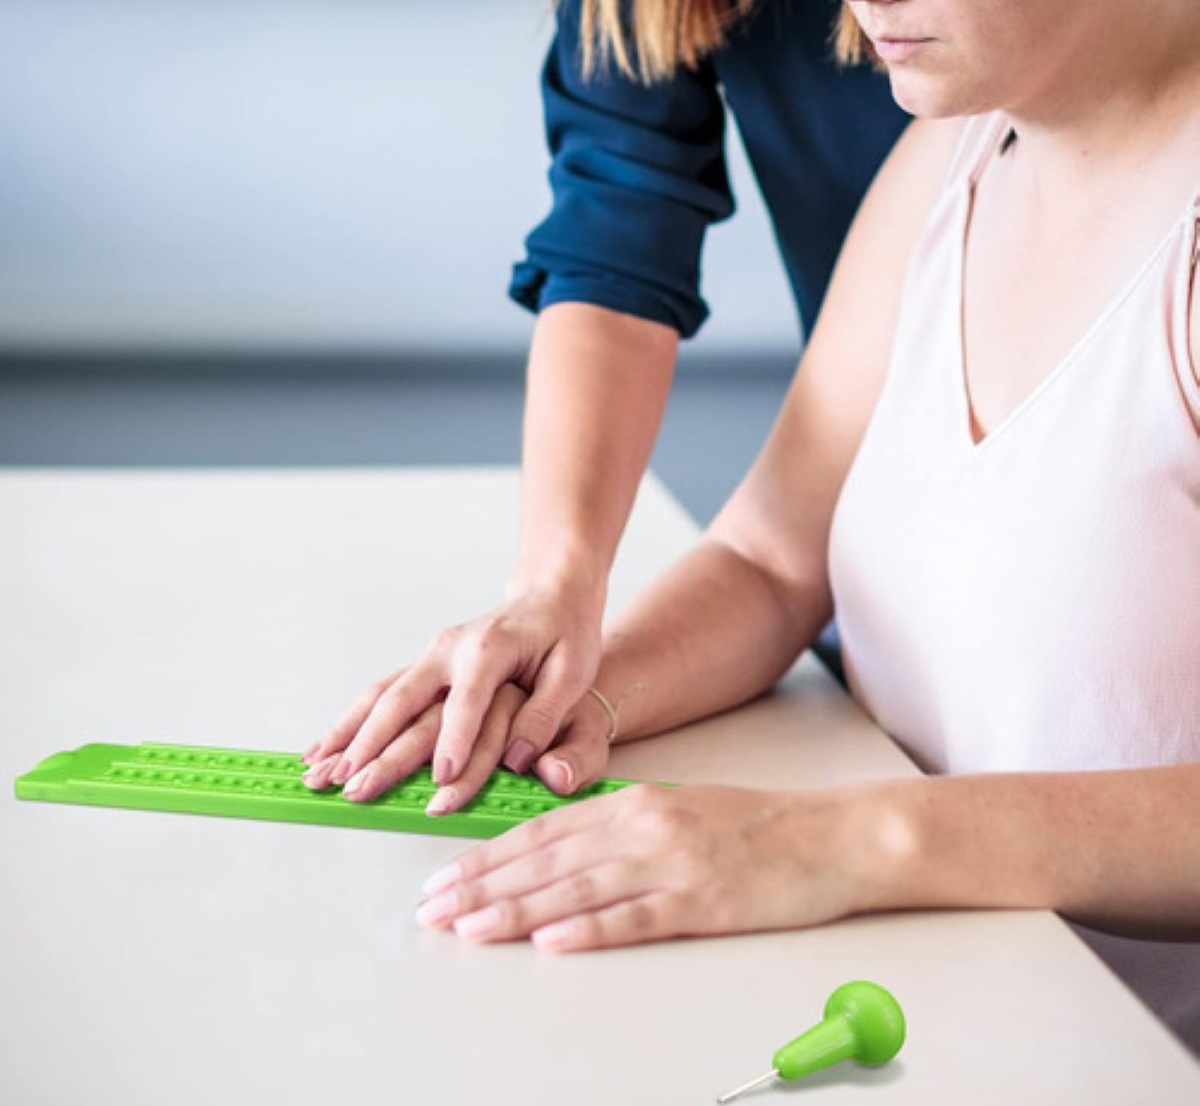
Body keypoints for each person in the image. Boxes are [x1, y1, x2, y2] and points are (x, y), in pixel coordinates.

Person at [328, 0, 1200, 1049]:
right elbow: (771, 557)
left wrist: (847, 840)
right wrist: (574, 695)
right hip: (938, 1018)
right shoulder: (947, 156)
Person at [301, 0, 909, 809]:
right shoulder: (921, 208)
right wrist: (558, 663)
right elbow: (776, 562)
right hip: (886, 567)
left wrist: (864, 840)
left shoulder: (977, 153)